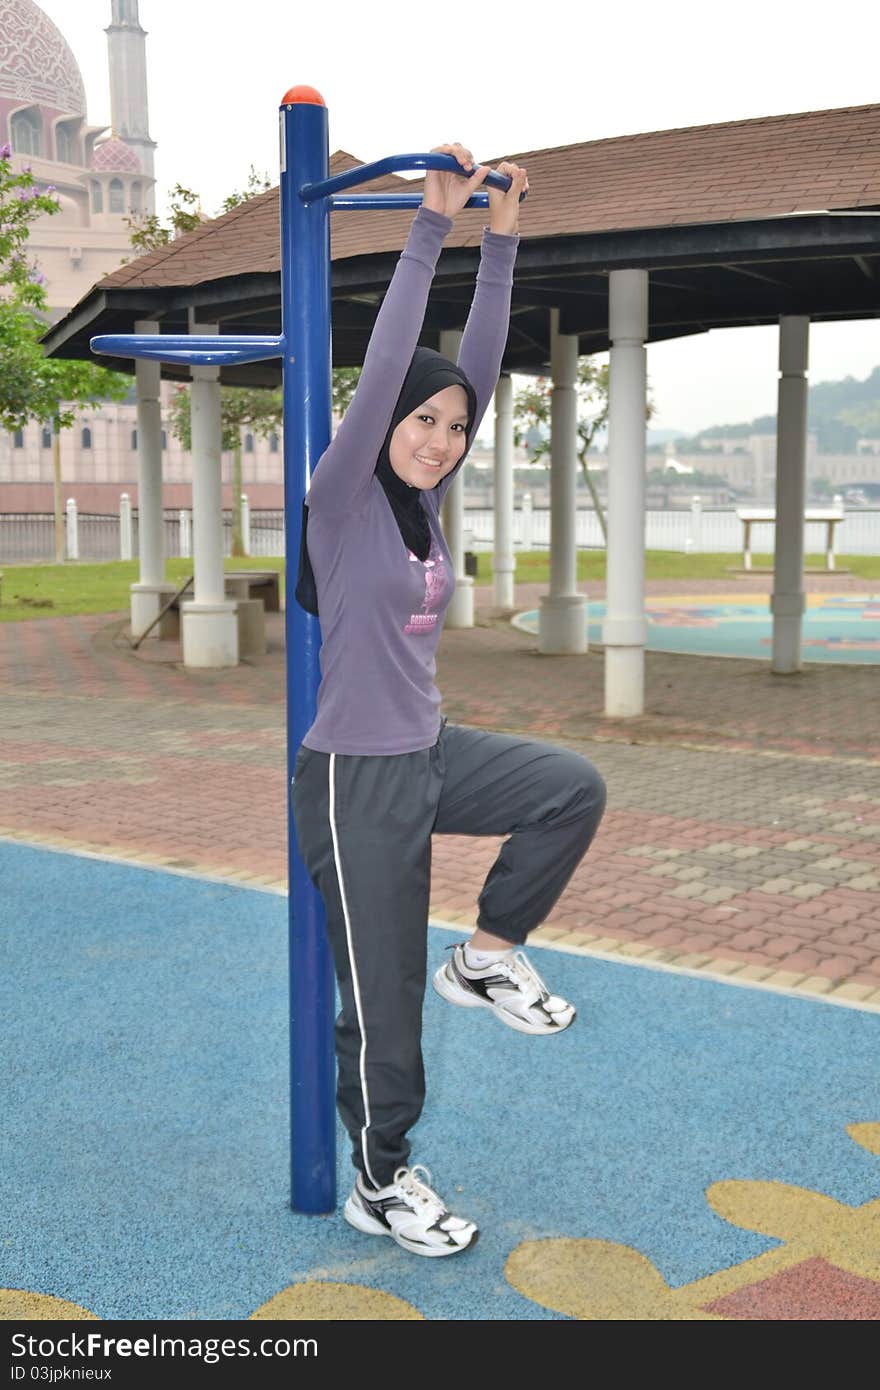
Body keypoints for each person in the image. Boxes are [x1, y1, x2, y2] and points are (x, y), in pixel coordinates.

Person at [292, 143, 607, 1258]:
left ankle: (486, 950)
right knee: (386, 1018)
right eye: (420, 421)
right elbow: (394, 364)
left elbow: (474, 362)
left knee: (570, 787)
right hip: (354, 782)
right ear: (383, 422)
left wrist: (506, 235)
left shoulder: (428, 500)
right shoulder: (341, 495)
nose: (436, 437)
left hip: (429, 749)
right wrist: (431, 225)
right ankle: (381, 1178)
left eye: (453, 427)